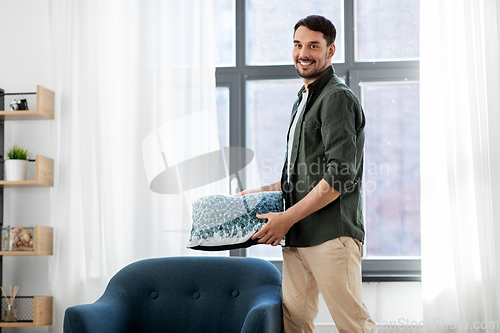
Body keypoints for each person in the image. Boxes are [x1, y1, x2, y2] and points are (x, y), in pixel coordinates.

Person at [236, 15, 376, 333]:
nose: (304, 53)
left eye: (314, 45)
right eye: (298, 45)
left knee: (353, 324)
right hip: (299, 237)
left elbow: (339, 176)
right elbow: (297, 180)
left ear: (330, 51)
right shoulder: (303, 100)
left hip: (332, 235)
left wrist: (286, 218)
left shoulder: (336, 98)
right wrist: (258, 194)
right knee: (295, 324)